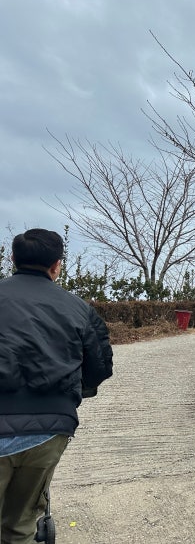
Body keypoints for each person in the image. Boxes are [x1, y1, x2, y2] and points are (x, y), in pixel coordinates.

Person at [0, 228, 113, 543]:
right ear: (56, 265)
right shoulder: (78, 309)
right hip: (48, 429)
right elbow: (100, 367)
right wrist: (71, 393)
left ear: (13, 259)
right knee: (19, 527)